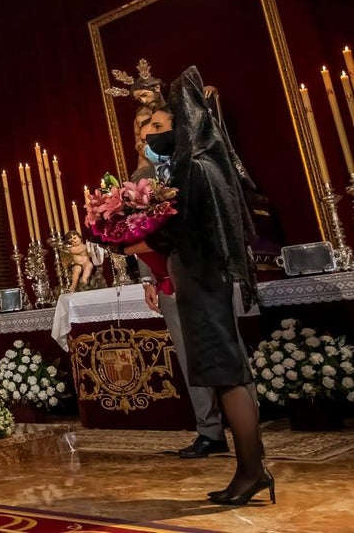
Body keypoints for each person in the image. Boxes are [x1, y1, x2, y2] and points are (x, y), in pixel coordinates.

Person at [135, 67, 271, 506]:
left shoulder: (194, 170)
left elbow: (186, 230)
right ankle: (252, 469)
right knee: (223, 373)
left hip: (200, 278)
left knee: (225, 374)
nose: (152, 136)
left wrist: (139, 232)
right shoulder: (202, 166)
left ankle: (252, 471)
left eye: (164, 123)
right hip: (200, 279)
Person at [134, 110, 229, 459]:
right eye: (145, 130)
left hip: (205, 272)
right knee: (189, 356)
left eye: (158, 128)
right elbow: (138, 230)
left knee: (223, 349)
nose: (150, 135)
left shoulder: (197, 166)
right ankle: (209, 429)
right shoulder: (140, 177)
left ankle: (242, 424)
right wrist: (149, 276)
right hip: (168, 279)